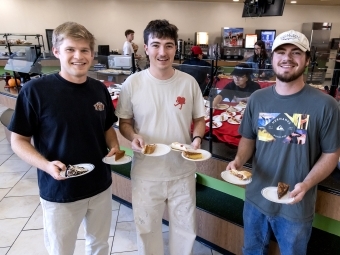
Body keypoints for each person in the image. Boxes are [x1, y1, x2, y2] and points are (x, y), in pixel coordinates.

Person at [8, 21, 121, 255]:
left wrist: (114, 145)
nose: (78, 56)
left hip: (100, 186)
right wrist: (46, 166)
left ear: (91, 54)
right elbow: (18, 140)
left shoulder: (99, 89)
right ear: (57, 51)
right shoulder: (35, 91)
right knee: (61, 250)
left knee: (99, 245)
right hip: (60, 190)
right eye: (70, 49)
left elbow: (107, 126)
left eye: (84, 50)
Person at [227, 30, 340, 255]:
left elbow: (331, 154)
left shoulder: (326, 105)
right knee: (251, 251)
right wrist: (238, 161)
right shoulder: (258, 99)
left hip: (295, 203)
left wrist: (306, 184)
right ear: (272, 59)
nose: (287, 58)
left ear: (307, 60)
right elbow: (248, 138)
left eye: (295, 52)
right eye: (281, 52)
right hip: (256, 198)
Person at [115, 19, 206, 255]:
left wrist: (196, 140)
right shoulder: (133, 83)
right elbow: (124, 122)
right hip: (146, 172)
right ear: (145, 48)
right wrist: (133, 136)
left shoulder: (189, 82)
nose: (162, 52)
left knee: (186, 230)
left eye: (168, 45)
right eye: (155, 45)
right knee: (146, 230)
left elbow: (199, 119)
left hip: (182, 171)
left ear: (176, 48)